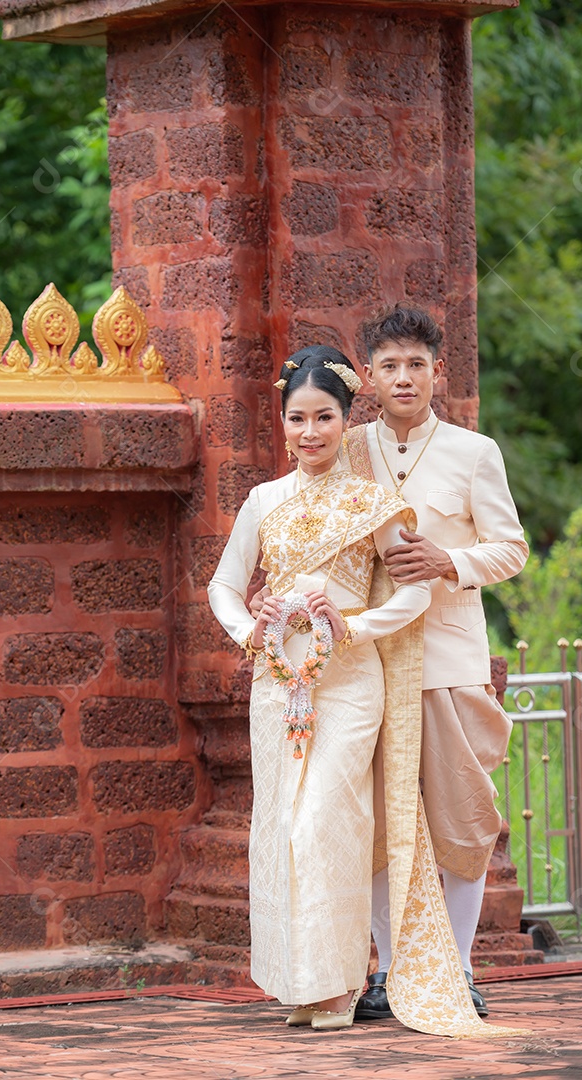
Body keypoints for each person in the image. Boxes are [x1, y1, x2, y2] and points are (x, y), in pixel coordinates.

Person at [208, 344, 437, 1030]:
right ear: (280, 423)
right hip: (278, 683)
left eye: (324, 418)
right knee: (280, 826)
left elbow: (415, 593)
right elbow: (223, 585)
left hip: (347, 682)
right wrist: (252, 627)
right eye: (297, 419)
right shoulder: (262, 500)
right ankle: (302, 985)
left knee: (324, 824)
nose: (310, 433)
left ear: (346, 421)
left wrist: (356, 626)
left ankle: (341, 981)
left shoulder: (376, 505)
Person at [339, 303, 528, 1021]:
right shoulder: (348, 449)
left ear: (436, 372)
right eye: (388, 366)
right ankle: (390, 974)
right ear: (367, 377)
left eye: (415, 364)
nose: (403, 377)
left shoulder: (472, 453)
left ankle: (457, 969)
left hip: (448, 659)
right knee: (379, 827)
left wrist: (450, 561)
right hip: (365, 661)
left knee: (461, 821)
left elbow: (509, 548)